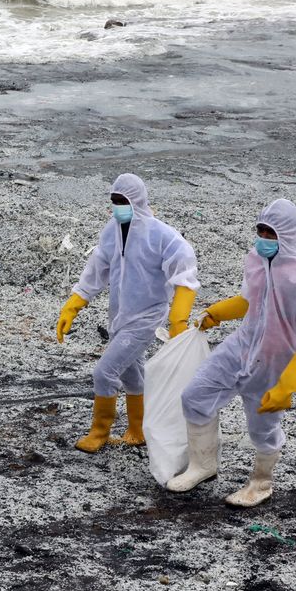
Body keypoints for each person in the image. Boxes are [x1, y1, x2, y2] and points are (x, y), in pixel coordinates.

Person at [168, 199, 296, 507]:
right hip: (241, 346)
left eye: (270, 232)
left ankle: (261, 482)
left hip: (274, 361)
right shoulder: (256, 260)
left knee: (263, 427)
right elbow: (251, 300)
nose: (263, 238)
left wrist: (287, 385)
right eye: (260, 230)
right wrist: (218, 313)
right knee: (195, 395)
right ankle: (202, 465)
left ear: (286, 235)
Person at [55, 173, 198, 451]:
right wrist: (72, 306)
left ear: (138, 201)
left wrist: (178, 318)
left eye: (123, 201)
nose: (118, 206)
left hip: (146, 318)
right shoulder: (112, 231)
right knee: (132, 373)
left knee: (104, 372)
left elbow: (185, 268)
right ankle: (137, 430)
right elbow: (97, 270)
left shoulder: (160, 235)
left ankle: (100, 431)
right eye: (114, 201)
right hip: (120, 316)